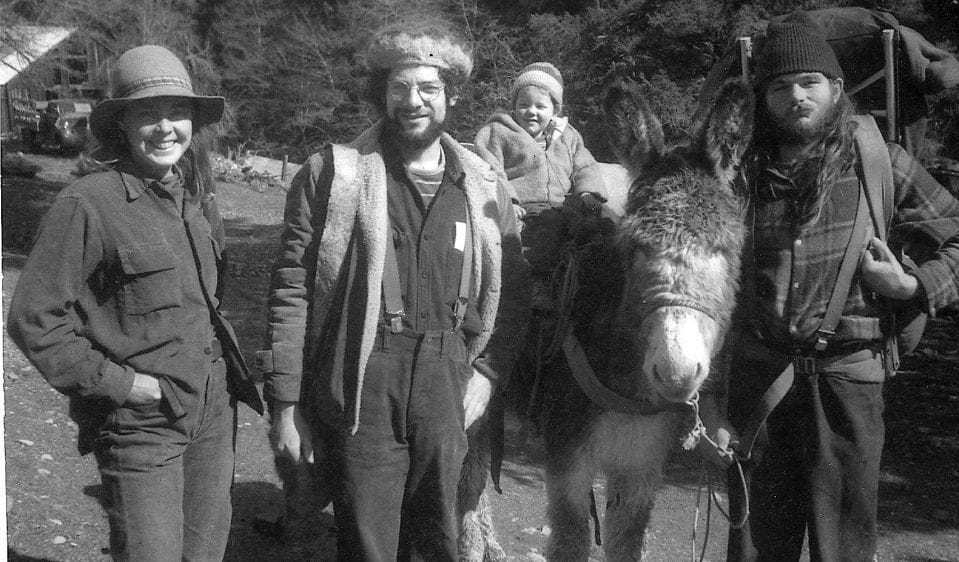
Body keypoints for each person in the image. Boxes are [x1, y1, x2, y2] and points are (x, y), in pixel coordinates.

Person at [696, 12, 959, 562]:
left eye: (808, 83)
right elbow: (721, 298)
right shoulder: (739, 174)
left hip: (848, 386)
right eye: (781, 87)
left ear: (835, 89)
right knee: (754, 549)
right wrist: (712, 403)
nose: (796, 97)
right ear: (763, 99)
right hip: (759, 385)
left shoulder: (878, 162)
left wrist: (912, 285)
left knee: (844, 550)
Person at [262, 19, 530, 561]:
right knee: (367, 541)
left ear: (450, 96)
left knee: (438, 538)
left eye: (429, 88)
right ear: (381, 94)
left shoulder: (483, 186)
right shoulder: (332, 176)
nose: (414, 101)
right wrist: (285, 406)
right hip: (362, 375)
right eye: (400, 87)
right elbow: (291, 291)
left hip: (448, 376)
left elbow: (515, 292)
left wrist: (487, 373)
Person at [7, 45, 263, 561]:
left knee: (205, 552)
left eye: (178, 112)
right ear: (122, 124)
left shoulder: (190, 199)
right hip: (142, 423)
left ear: (194, 121)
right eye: (147, 113)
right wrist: (122, 385)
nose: (165, 127)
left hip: (213, 411)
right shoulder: (88, 203)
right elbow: (35, 318)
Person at [473, 62, 608, 274]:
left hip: (563, 204)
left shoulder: (567, 135)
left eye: (540, 107)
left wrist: (588, 192)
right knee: (548, 233)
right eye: (524, 104)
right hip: (526, 207)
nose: (531, 112)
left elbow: (585, 165)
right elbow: (491, 168)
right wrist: (509, 201)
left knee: (600, 230)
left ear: (554, 109)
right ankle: (539, 286)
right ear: (514, 105)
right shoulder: (499, 132)